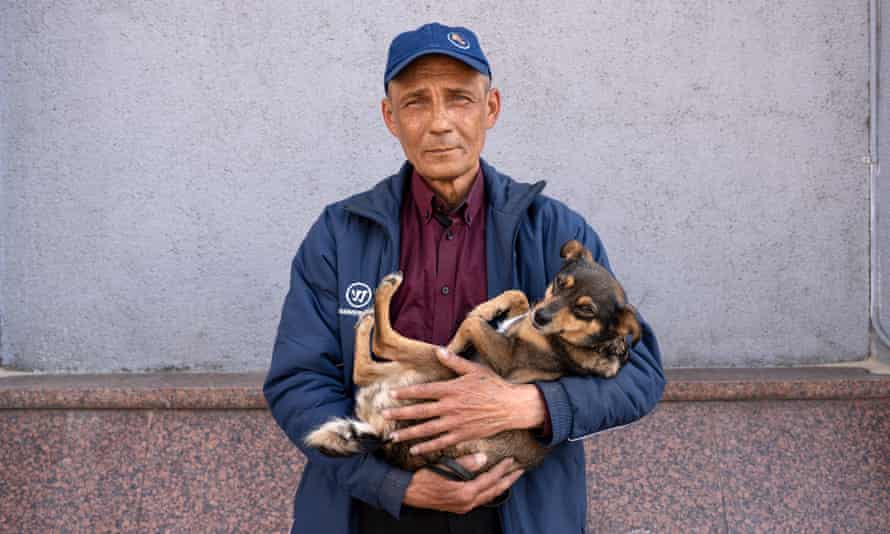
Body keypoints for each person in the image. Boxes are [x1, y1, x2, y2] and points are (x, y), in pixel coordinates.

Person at [263, 22, 665, 534]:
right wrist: (393, 485)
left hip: (514, 514)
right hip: (371, 509)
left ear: (490, 108)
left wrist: (531, 405)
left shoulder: (554, 232)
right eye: (415, 102)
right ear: (390, 117)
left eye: (459, 99)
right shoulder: (339, 236)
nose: (439, 123)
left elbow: (641, 376)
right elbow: (298, 381)